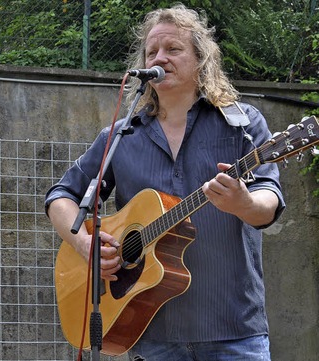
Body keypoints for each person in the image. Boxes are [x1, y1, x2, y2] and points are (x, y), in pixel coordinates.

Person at [45, 4, 285, 361]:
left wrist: (244, 204)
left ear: (201, 59)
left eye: (173, 49)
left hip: (234, 332)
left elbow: (269, 197)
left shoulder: (241, 123)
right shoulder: (122, 136)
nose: (161, 57)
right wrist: (86, 244)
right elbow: (61, 196)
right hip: (149, 332)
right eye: (152, 51)